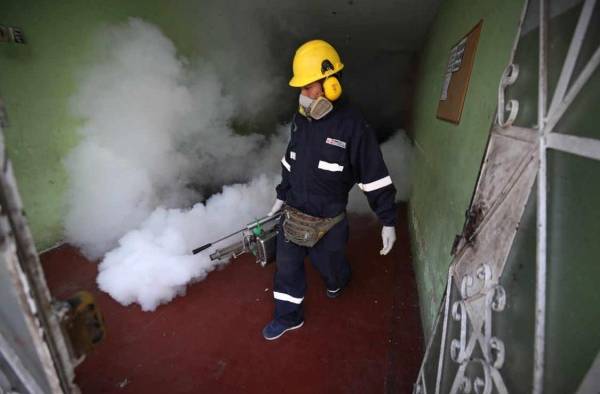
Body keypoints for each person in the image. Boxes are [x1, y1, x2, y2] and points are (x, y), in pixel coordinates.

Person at [262, 39, 397, 340]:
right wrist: (281, 194)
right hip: (294, 212)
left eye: (310, 86)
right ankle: (288, 317)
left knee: (331, 268)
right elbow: (291, 161)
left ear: (331, 83)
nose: (305, 95)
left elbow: (373, 175)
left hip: (329, 221)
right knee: (286, 268)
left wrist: (387, 220)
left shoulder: (353, 126)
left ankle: (339, 279)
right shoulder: (301, 120)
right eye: (302, 88)